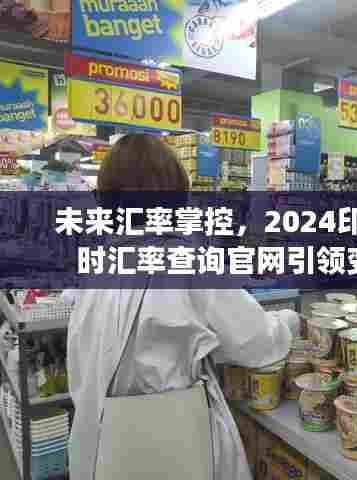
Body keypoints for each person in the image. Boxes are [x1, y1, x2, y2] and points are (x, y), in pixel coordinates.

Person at [67, 134, 298, 480]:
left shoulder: (99, 267)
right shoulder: (186, 261)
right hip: (175, 443)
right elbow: (257, 342)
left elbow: (82, 364)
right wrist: (292, 321)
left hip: (102, 450)